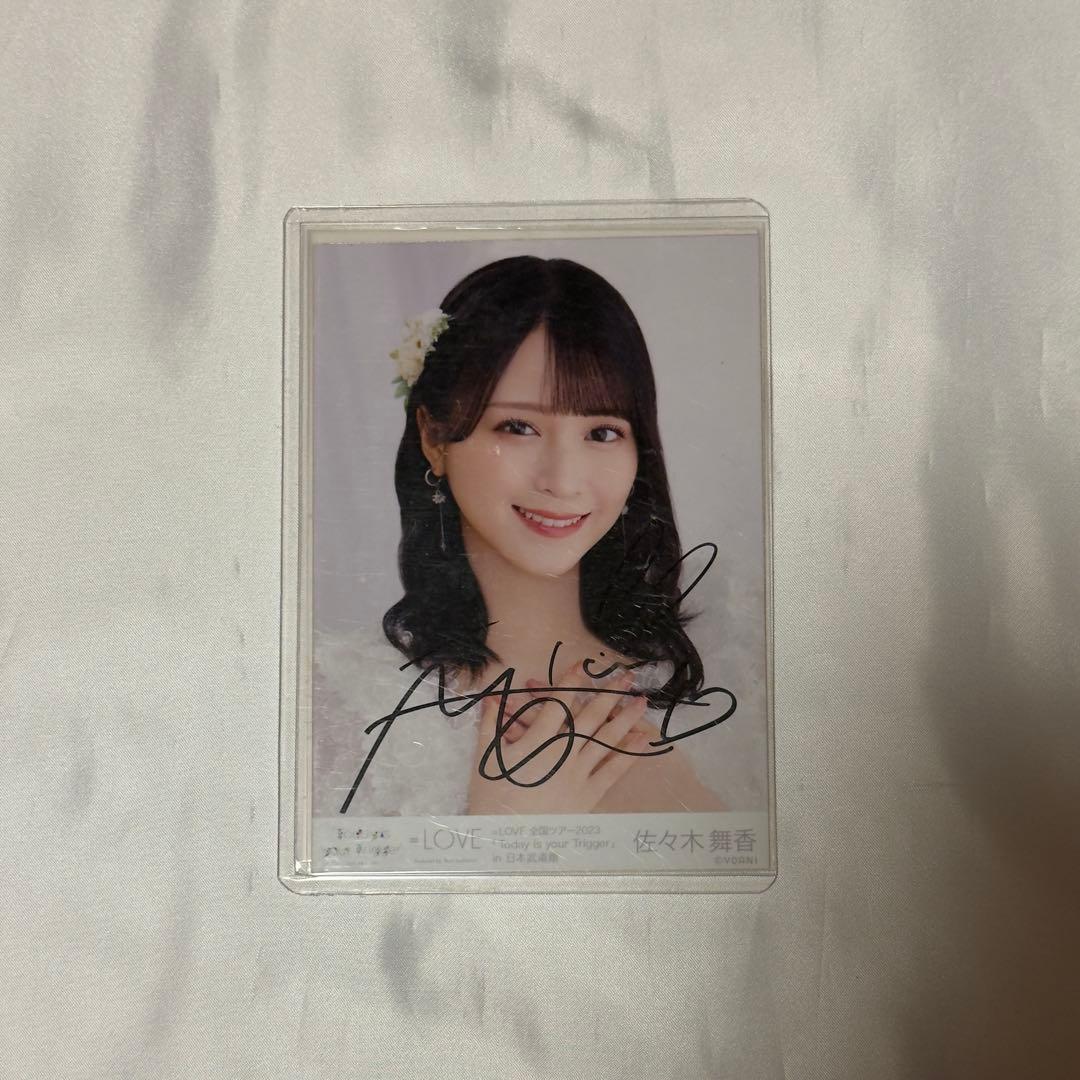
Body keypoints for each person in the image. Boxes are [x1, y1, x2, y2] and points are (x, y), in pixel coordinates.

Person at [314, 256, 727, 817]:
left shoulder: (735, 666)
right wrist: (507, 832)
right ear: (435, 438)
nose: (562, 480)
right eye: (518, 427)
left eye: (603, 432)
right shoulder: (339, 705)